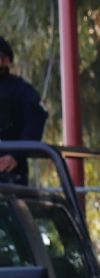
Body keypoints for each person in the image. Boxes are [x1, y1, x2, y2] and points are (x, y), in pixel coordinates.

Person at [0, 36, 48, 185]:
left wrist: (15, 155)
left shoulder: (20, 90)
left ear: (6, 61)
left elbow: (35, 121)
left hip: (9, 174)